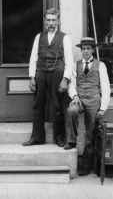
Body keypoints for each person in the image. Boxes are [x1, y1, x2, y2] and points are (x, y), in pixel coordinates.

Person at [23, 8, 74, 147]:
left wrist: (65, 79)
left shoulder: (65, 37)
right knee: (38, 106)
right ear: (45, 21)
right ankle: (37, 137)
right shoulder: (39, 37)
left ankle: (59, 137)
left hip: (57, 73)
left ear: (58, 21)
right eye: (48, 20)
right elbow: (33, 58)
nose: (51, 23)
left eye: (53, 20)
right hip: (41, 72)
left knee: (58, 106)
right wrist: (32, 77)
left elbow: (69, 61)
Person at [65, 37, 111, 176]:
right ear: (81, 50)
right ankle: (71, 141)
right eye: (83, 49)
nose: (85, 51)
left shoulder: (100, 65)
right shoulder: (75, 65)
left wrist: (103, 107)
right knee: (71, 110)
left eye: (88, 48)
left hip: (93, 99)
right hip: (79, 98)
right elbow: (71, 84)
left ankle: (85, 166)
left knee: (90, 133)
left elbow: (106, 87)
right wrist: (74, 96)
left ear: (93, 50)